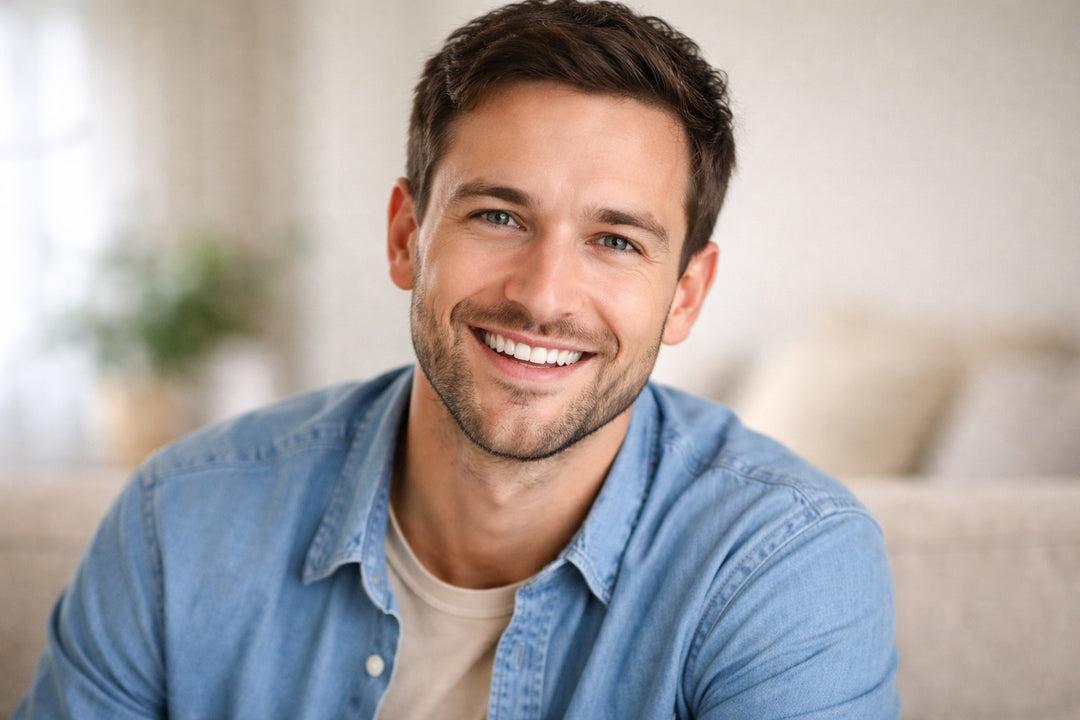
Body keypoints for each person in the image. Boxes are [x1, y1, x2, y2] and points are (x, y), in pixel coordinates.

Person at [15, 1, 899, 718]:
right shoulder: (180, 525)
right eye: (499, 217)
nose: (545, 295)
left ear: (688, 293)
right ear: (407, 235)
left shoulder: (785, 567)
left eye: (616, 241)